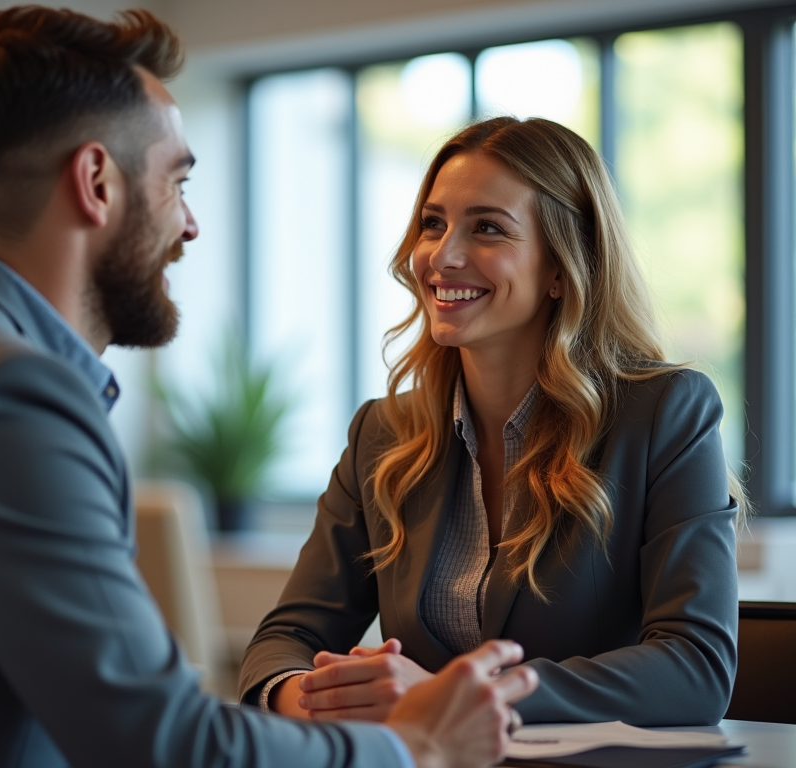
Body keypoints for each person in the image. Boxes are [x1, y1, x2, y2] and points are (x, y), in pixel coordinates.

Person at [0, 7, 539, 768]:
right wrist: (414, 746)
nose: (192, 224)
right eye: (177, 182)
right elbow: (163, 744)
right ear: (96, 182)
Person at [239, 116, 746, 727]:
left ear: (562, 268)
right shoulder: (383, 433)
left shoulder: (667, 412)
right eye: (433, 224)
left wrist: (455, 698)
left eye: (488, 228)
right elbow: (287, 637)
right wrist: (314, 695)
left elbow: (696, 668)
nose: (441, 256)